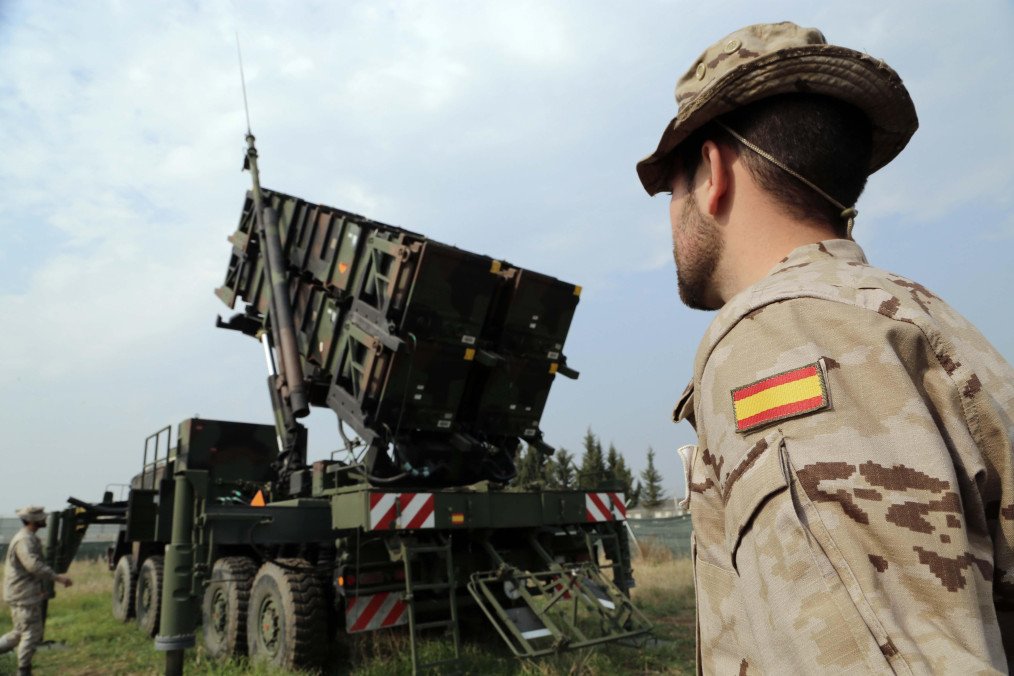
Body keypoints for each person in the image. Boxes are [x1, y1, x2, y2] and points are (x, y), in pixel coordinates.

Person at [636, 22, 1014, 673]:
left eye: (672, 188)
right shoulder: (918, 317)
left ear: (714, 173)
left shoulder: (779, 339)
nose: (671, 215)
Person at [0, 506, 72, 676]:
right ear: (33, 521)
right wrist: (58, 578)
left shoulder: (27, 538)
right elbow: (33, 566)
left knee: (20, 633)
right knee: (31, 634)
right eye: (41, 517)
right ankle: (23, 671)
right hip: (23, 595)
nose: (44, 519)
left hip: (22, 593)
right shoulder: (25, 540)